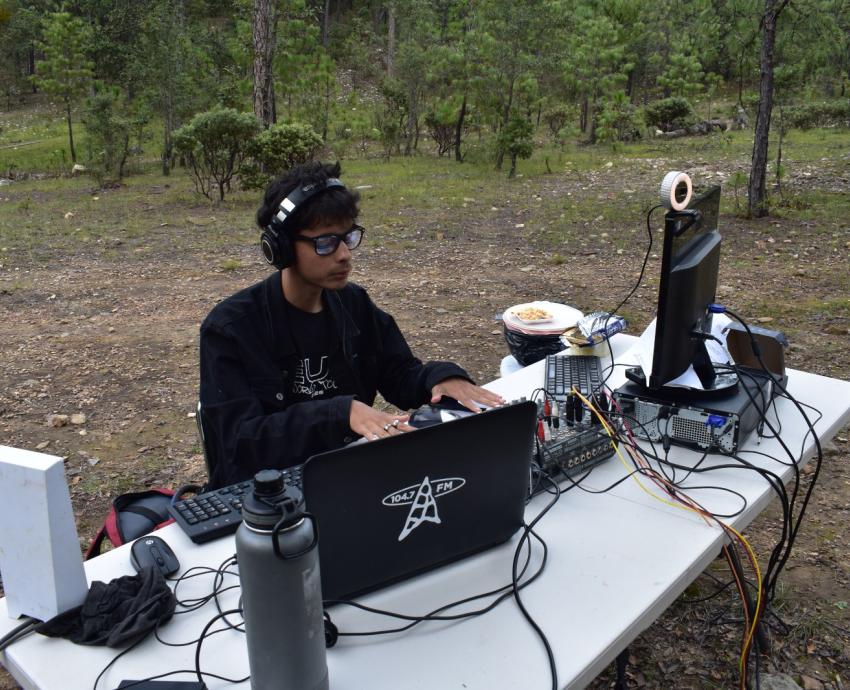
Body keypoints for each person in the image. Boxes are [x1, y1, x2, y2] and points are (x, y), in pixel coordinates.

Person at [199, 161, 503, 487]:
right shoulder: (230, 329)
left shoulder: (353, 303)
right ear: (282, 248)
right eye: (326, 242)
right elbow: (239, 442)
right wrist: (338, 414)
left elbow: (399, 374)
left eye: (348, 237)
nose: (344, 254)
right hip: (269, 494)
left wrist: (440, 378)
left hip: (347, 475)